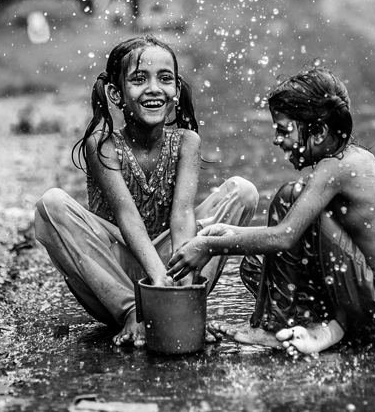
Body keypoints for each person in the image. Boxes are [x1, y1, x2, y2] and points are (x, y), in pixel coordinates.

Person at [167, 67, 375, 355]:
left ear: (320, 131)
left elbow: (285, 237)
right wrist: (232, 233)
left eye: (284, 130)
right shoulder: (345, 159)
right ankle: (322, 328)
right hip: (366, 303)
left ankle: (275, 327)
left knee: (289, 197)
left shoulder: (337, 168)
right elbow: (293, 235)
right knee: (255, 264)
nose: (276, 140)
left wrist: (210, 246)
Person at [33, 35, 258, 347]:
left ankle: (187, 309)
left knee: (242, 192)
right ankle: (132, 313)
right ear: (116, 92)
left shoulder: (186, 142)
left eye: (165, 79)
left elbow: (182, 216)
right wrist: (154, 277)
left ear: (176, 90)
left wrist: (183, 287)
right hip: (114, 276)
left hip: (170, 267)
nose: (154, 88)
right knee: (51, 204)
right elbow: (128, 218)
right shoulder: (103, 146)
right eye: (139, 79)